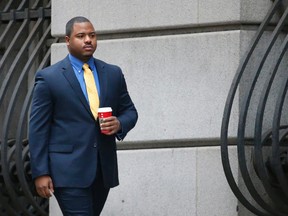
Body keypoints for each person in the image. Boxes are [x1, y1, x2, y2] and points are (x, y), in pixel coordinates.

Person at [28, 16, 138, 215]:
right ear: (68, 40)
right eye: (81, 36)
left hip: (102, 170)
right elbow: (37, 129)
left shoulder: (113, 73)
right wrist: (40, 172)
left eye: (92, 35)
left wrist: (119, 124)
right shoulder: (49, 77)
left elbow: (130, 111)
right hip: (67, 171)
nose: (88, 40)